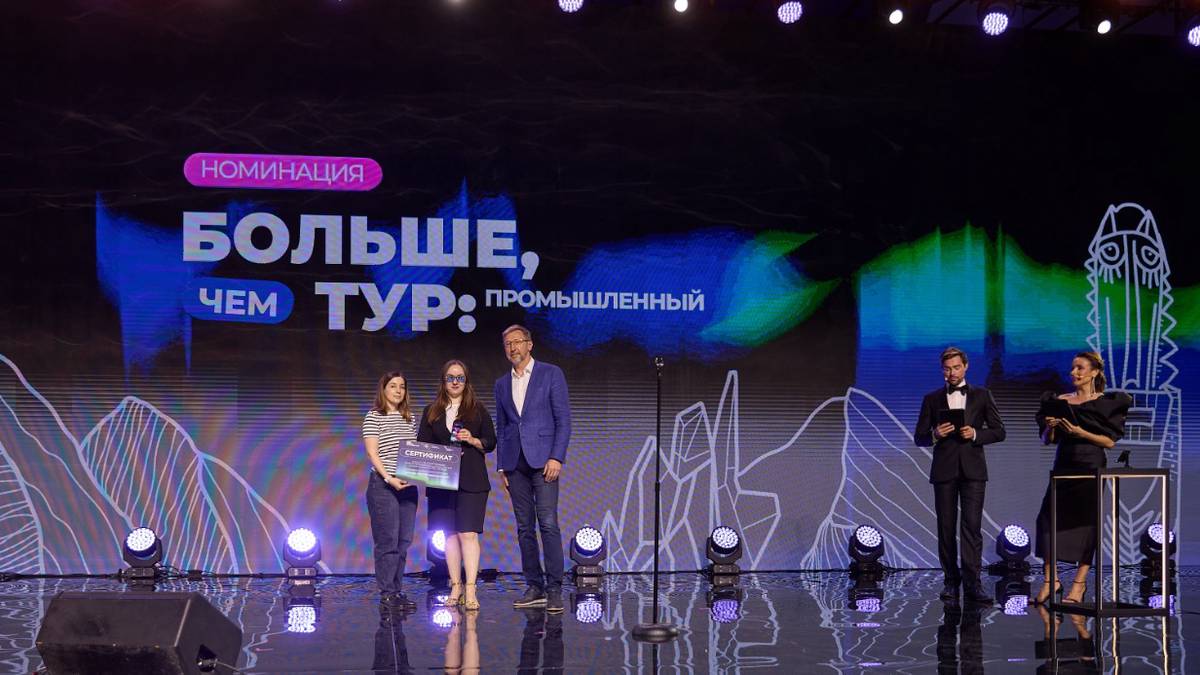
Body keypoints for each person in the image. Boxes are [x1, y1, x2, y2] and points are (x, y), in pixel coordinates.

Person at [1032, 351, 1131, 605]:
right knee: (1047, 520)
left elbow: (1109, 442)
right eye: (1073, 368)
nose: (1074, 373)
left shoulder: (1105, 403)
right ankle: (1051, 580)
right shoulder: (1060, 401)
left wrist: (1080, 432)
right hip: (1064, 464)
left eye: (1080, 368)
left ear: (1094, 372)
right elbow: (1046, 440)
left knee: (1087, 524)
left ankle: (1079, 584)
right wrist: (1051, 427)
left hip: (1090, 465)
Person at [914, 346, 1006, 604]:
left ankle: (973, 584)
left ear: (966, 366)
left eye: (956, 367)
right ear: (942, 370)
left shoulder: (982, 395)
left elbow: (999, 431)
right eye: (947, 369)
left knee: (972, 528)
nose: (952, 373)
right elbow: (919, 437)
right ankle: (951, 583)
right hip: (944, 471)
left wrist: (975, 434)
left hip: (973, 471)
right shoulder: (931, 399)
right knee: (946, 528)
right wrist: (936, 434)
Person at [494, 324, 571, 613]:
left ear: (529, 344)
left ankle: (554, 588)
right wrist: (502, 466)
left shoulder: (551, 373)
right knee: (524, 527)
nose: (512, 348)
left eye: (517, 342)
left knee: (548, 523)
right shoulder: (502, 383)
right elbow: (502, 427)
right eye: (507, 344)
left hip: (544, 462)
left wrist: (557, 457)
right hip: (515, 464)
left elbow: (563, 420)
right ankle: (534, 585)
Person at [417, 359, 497, 611]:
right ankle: (455, 586)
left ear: (466, 381)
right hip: (442, 481)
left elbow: (491, 442)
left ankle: (471, 588)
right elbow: (422, 446)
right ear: (443, 381)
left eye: (460, 378)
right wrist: (444, 454)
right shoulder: (431, 411)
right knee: (450, 535)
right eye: (450, 377)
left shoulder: (477, 409)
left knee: (468, 534)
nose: (455, 382)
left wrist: (472, 440)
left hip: (472, 479)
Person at [363, 371, 420, 611]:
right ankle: (387, 594)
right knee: (387, 542)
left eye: (402, 386)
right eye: (393, 386)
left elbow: (415, 453)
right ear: (384, 389)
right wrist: (389, 478)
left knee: (403, 542)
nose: (398, 390)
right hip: (383, 486)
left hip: (407, 487)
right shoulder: (374, 416)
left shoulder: (410, 418)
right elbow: (372, 453)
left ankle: (397, 592)